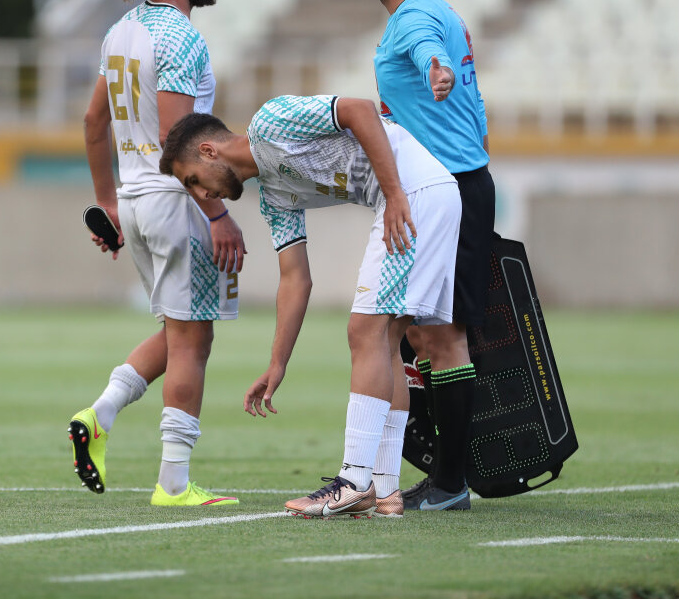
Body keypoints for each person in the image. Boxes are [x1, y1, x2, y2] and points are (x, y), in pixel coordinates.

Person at [159, 95, 461, 518]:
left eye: (193, 180)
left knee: (364, 331)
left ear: (208, 151)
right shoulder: (273, 195)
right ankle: (386, 492)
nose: (202, 194)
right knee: (387, 339)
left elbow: (359, 109)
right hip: (421, 195)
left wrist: (394, 195)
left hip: (414, 194)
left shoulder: (270, 121)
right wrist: (277, 363)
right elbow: (295, 279)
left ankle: (354, 482)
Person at [71, 0, 247, 508]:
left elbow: (93, 121)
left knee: (179, 330)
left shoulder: (120, 31)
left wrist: (108, 201)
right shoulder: (181, 38)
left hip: (138, 202)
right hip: (178, 203)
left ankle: (101, 414)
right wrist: (217, 213)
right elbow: (179, 138)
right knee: (193, 341)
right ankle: (173, 482)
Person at [352, 0, 494, 510]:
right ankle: (439, 475)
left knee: (440, 337)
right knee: (416, 330)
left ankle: (450, 483)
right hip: (455, 185)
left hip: (450, 189)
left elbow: (430, 55)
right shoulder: (434, 8)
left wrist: (437, 70)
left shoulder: (415, 21)